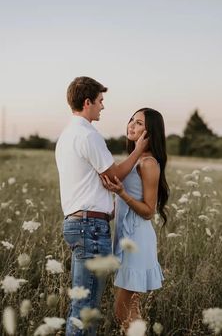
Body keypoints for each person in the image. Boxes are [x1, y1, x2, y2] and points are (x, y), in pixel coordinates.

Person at [55, 77, 148, 336]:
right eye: (100, 101)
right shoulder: (87, 135)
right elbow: (115, 174)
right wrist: (138, 150)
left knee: (80, 305)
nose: (102, 107)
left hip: (79, 224)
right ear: (87, 102)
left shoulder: (67, 135)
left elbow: (100, 178)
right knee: (87, 309)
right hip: (90, 227)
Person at [101, 107, 169, 333]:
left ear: (151, 132)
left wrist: (121, 194)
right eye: (131, 120)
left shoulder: (148, 163)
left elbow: (149, 211)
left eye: (139, 123)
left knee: (123, 309)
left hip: (138, 240)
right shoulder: (134, 159)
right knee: (129, 307)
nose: (131, 125)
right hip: (126, 237)